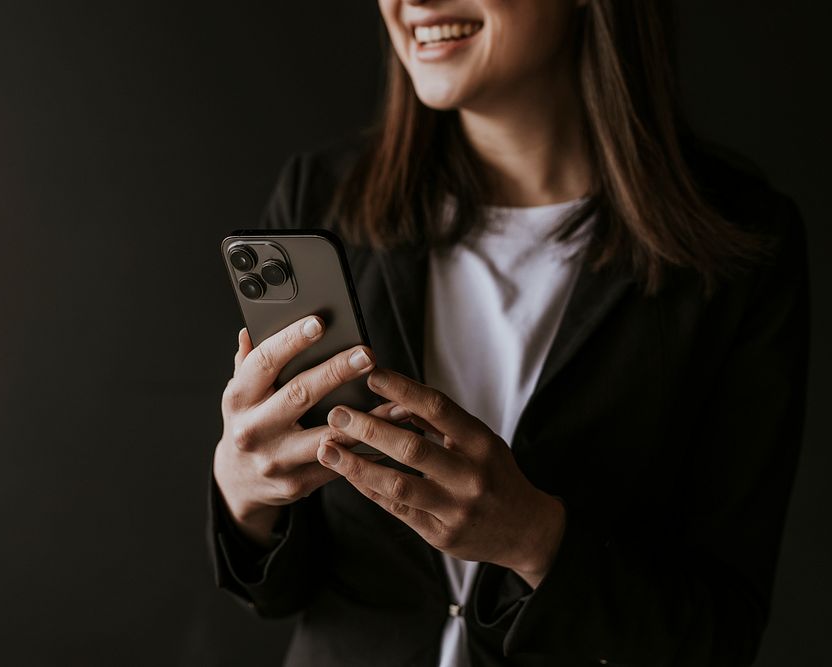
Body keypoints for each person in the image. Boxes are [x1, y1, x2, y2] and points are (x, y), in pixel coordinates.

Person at [208, 0, 810, 665]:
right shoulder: (319, 200)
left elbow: (720, 635)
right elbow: (282, 590)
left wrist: (536, 539)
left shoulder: (743, 251)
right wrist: (244, 492)